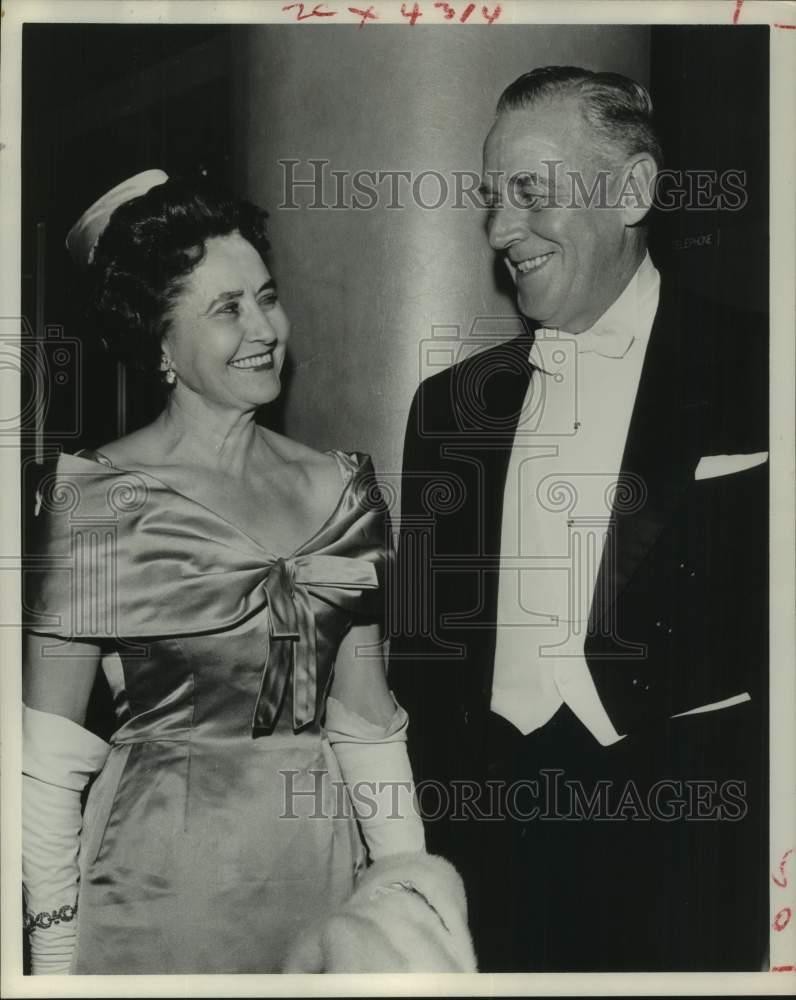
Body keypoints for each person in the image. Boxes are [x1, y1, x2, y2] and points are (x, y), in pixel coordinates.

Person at [22, 170, 474, 974]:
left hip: (321, 878)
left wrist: (411, 897)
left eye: (267, 297)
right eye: (226, 309)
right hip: (157, 890)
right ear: (160, 344)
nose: (264, 327)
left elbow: (367, 725)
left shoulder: (340, 487)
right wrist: (53, 947)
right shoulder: (97, 498)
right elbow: (49, 761)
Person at [389, 66, 769, 972]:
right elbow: (423, 656)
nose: (499, 228)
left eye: (530, 191)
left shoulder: (764, 365)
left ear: (633, 190)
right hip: (491, 866)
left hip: (700, 863)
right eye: (491, 198)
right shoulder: (451, 407)